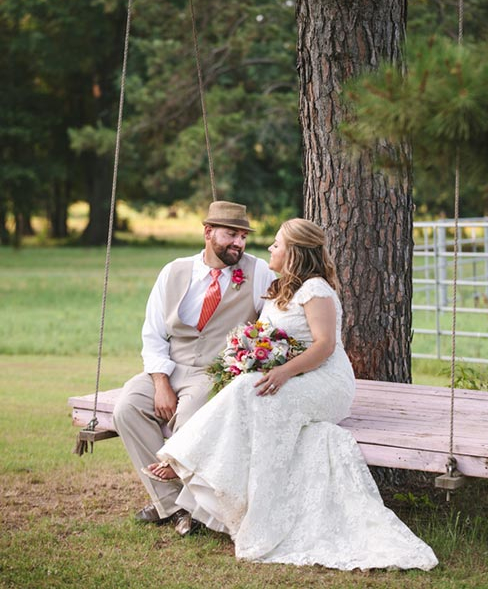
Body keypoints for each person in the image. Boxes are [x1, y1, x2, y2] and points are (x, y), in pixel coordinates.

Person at [143, 218, 438, 571]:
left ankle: (184, 461)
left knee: (250, 394)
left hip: (325, 382)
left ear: (294, 252)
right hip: (294, 375)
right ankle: (196, 468)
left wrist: (282, 371)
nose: (269, 248)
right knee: (246, 392)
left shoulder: (316, 290)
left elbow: (326, 346)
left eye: (276, 244)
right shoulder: (282, 289)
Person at [113, 201, 275, 535]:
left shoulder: (259, 272)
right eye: (231, 234)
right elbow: (153, 333)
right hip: (171, 366)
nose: (239, 244)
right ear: (208, 232)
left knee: (192, 416)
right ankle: (173, 506)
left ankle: (192, 509)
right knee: (127, 408)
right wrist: (160, 382)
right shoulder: (173, 271)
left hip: (215, 372)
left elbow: (273, 325)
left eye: (243, 236)